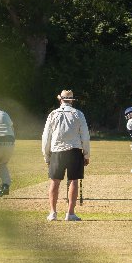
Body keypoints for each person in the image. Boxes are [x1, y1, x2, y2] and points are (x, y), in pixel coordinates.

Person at [42, 89, 90, 222]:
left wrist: (46, 156)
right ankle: (70, 213)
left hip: (57, 150)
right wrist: (86, 154)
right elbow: (85, 136)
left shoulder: (53, 114)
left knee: (54, 181)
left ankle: (52, 212)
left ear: (60, 100)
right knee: (73, 180)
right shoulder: (78, 114)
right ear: (72, 101)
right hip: (74, 150)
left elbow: (46, 137)